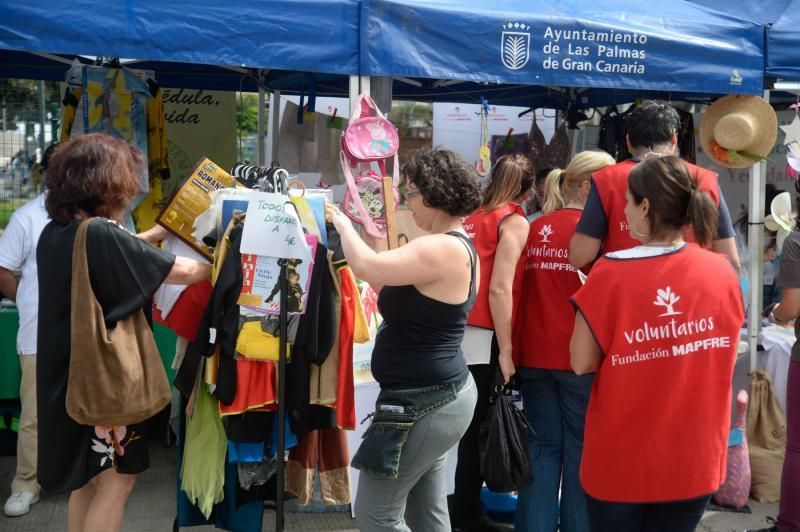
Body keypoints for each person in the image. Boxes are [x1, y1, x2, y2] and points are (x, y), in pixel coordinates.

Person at [35, 134, 210, 532]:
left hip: (68, 379)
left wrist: (158, 235)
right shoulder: (99, 234)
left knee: (87, 482)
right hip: (103, 383)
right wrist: (227, 254)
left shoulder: (59, 232)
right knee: (117, 482)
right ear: (107, 183)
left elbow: (125, 247)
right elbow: (184, 272)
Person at [569, 156, 743, 532]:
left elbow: (581, 361)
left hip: (622, 458)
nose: (626, 211)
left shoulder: (610, 272)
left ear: (644, 206)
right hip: (694, 457)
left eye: (628, 202)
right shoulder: (723, 273)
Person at [326, 148, 482, 532]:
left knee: (376, 515)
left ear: (433, 194)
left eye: (411, 195)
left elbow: (366, 267)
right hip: (433, 397)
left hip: (426, 401)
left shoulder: (441, 247)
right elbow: (381, 279)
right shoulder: (450, 244)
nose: (409, 206)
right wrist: (367, 229)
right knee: (426, 515)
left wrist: (342, 224)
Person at [513, 150, 615, 532]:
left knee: (541, 452)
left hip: (533, 358)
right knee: (580, 456)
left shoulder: (534, 227)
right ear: (589, 186)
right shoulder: (595, 238)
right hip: (579, 363)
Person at [568, 100, 740, 273]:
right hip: (691, 291)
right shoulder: (705, 179)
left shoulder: (606, 179)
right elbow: (731, 261)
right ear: (674, 138)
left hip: (627, 291)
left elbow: (579, 255)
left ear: (628, 141)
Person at [452, 154, 531, 532]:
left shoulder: (469, 216)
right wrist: (509, 349)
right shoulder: (512, 222)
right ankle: (466, 515)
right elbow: (500, 288)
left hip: (451, 328)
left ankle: (453, 510)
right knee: (475, 428)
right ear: (528, 190)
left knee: (455, 427)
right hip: (484, 332)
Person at [0, 143, 59, 517]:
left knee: (86, 411)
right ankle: (25, 483)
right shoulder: (27, 217)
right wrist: (28, 299)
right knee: (35, 414)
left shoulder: (94, 212)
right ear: (48, 173)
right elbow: (3, 270)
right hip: (38, 333)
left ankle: (80, 479)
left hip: (87, 335)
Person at [761, 176, 800, 532]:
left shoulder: (797, 242)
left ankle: (790, 523)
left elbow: (790, 308)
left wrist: (774, 314)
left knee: (798, 448)